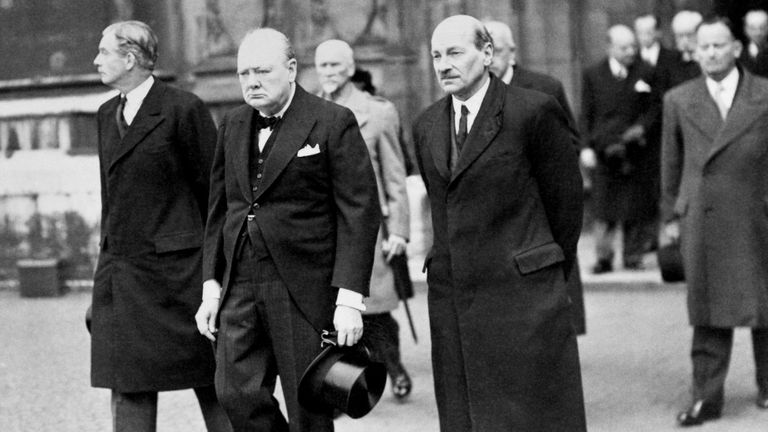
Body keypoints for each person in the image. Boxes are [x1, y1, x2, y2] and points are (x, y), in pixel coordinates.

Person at [194, 28, 380, 431]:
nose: (252, 82)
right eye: (244, 73)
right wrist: (211, 286)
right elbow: (219, 211)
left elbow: (360, 212)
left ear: (292, 69)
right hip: (239, 284)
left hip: (303, 287)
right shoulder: (232, 124)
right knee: (233, 391)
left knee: (308, 409)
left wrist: (349, 298)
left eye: (262, 71)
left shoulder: (332, 121)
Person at [413, 14, 586, 431]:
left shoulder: (533, 111)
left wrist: (541, 272)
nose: (443, 65)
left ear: (487, 53)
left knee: (530, 417)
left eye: (455, 52)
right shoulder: (426, 125)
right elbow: (443, 205)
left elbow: (565, 204)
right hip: (453, 301)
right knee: (466, 416)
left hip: (523, 299)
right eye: (437, 55)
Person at [90, 20, 231, 432]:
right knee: (129, 389)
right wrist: (103, 284)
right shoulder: (105, 114)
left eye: (104, 52)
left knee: (213, 384)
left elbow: (215, 198)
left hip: (181, 281)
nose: (96, 60)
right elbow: (110, 206)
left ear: (130, 58)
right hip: (125, 282)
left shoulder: (182, 108)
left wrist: (216, 280)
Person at [661, 16, 768, 427]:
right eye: (702, 47)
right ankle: (707, 397)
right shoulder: (678, 98)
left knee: (765, 303)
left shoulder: (763, 95)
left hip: (756, 212)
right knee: (706, 310)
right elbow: (669, 165)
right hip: (702, 219)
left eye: (718, 46)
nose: (709, 53)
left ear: (737, 49)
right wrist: (670, 217)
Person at [314, 39, 413, 400]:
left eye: (335, 66)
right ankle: (344, 387)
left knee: (374, 311)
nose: (328, 73)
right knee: (332, 312)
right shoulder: (308, 110)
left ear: (351, 68)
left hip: (368, 230)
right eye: (322, 65)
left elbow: (394, 177)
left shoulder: (377, 112)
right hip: (323, 232)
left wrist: (399, 231)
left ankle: (395, 368)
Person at [580, 24, 661, 273]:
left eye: (633, 46)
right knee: (604, 209)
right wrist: (585, 147)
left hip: (635, 152)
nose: (630, 51)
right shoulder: (593, 74)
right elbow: (586, 114)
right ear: (610, 47)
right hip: (604, 151)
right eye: (624, 47)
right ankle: (604, 258)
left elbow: (655, 108)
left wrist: (641, 129)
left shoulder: (646, 72)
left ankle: (633, 256)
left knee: (635, 207)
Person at [634, 13, 685, 94]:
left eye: (648, 32)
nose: (644, 37)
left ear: (658, 32)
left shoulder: (672, 57)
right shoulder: (632, 59)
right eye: (640, 32)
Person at [667, 10, 703, 90]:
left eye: (689, 35)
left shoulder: (706, 58)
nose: (685, 41)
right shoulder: (670, 61)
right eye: (680, 36)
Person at [739, 9, 768, 77]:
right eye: (753, 28)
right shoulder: (739, 54)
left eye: (762, 27)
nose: (758, 33)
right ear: (745, 29)